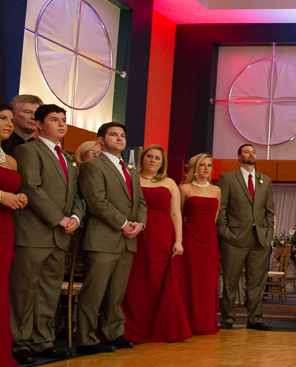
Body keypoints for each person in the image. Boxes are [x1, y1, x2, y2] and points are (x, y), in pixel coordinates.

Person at [10, 104, 82, 363]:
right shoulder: (27, 150)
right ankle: (21, 342)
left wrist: (74, 217)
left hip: (60, 235)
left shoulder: (68, 157)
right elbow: (32, 187)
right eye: (54, 119)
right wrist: (59, 218)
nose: (62, 124)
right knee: (25, 289)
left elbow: (76, 194)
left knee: (49, 290)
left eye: (64, 120)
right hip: (34, 232)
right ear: (39, 124)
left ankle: (43, 341)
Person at [75, 122, 147, 354]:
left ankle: (114, 333)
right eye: (113, 135)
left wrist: (139, 224)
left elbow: (141, 203)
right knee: (94, 292)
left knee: (116, 293)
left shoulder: (131, 170)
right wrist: (124, 223)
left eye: (123, 135)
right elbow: (96, 201)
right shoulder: (93, 166)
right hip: (102, 238)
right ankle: (86, 339)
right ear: (101, 140)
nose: (119, 139)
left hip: (128, 239)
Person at [120, 145, 192, 343]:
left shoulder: (169, 183)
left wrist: (178, 241)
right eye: (149, 156)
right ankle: (130, 327)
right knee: (134, 280)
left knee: (159, 280)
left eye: (157, 158)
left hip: (161, 235)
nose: (152, 160)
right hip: (135, 233)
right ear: (142, 159)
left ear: (162, 163)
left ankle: (161, 328)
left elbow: (176, 213)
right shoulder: (130, 178)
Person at [217, 144, 275, 331]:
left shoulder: (264, 180)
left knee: (256, 282)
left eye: (253, 152)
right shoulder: (227, 178)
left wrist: (269, 232)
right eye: (247, 152)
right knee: (230, 281)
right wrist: (224, 231)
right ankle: (227, 318)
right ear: (239, 156)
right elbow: (222, 208)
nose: (251, 154)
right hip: (234, 238)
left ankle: (255, 319)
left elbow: (269, 210)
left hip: (259, 239)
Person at [179, 153, 221, 336]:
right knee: (190, 278)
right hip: (189, 237)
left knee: (207, 280)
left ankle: (205, 322)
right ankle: (187, 321)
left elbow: (216, 217)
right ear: (195, 168)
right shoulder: (184, 188)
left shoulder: (216, 190)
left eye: (209, 165)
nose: (206, 168)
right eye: (202, 165)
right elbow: (178, 215)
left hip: (209, 239)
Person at [0, 104, 29, 367]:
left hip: (6, 227)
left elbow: (11, 186)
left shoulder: (10, 159)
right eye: (3, 119)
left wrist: (19, 196)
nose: (9, 124)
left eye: (10, 120)